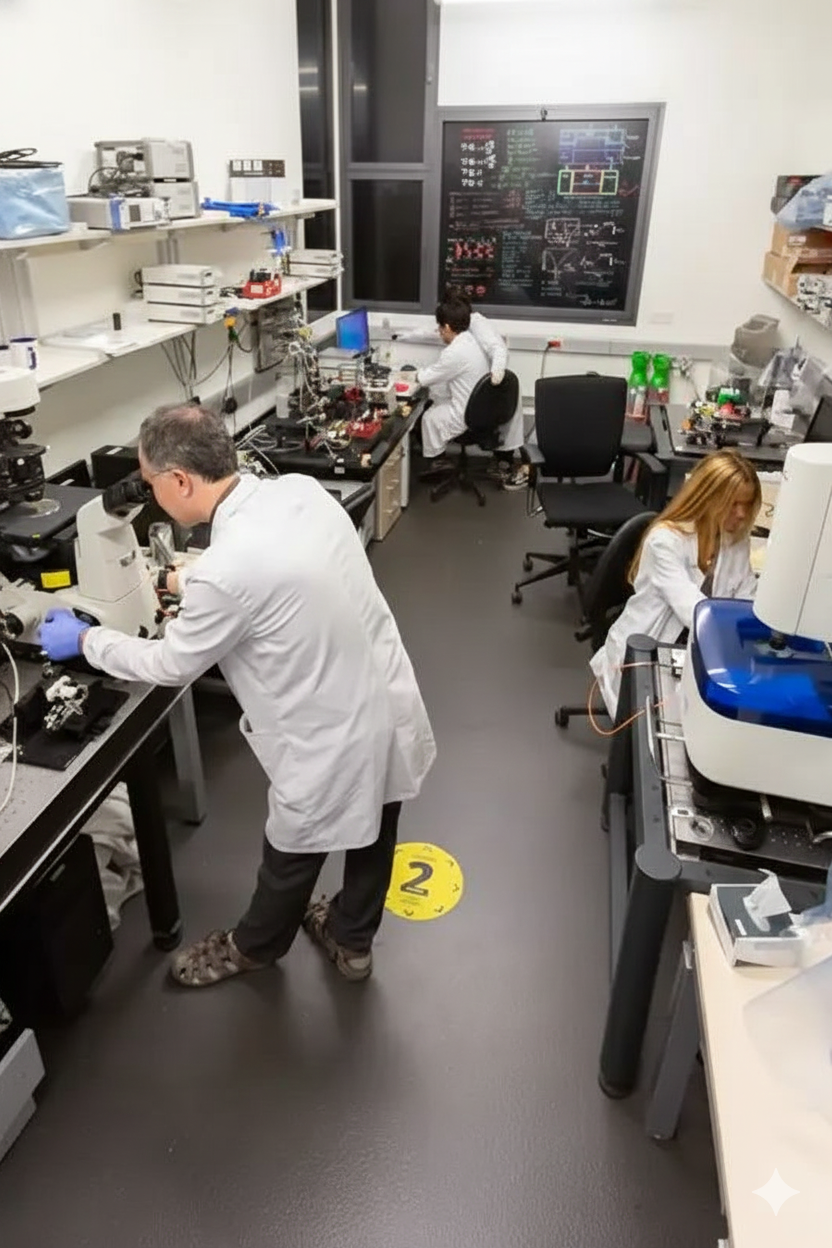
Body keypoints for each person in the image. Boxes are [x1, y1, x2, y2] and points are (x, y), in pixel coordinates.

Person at [39, 405, 436, 988]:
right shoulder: (299, 491)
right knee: (379, 822)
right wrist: (182, 579)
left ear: (180, 481)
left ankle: (253, 948)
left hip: (328, 732)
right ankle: (353, 942)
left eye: (149, 483)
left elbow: (171, 664)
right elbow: (275, 572)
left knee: (292, 850)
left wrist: (86, 641)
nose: (150, 496)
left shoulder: (226, 571)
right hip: (385, 691)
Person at [590, 449, 761, 718]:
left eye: (747, 504)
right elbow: (694, 612)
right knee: (669, 726)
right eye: (733, 503)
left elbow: (747, 597)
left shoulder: (735, 540)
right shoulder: (665, 541)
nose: (741, 514)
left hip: (699, 646)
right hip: (650, 648)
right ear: (708, 498)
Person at [401, 287, 527, 488]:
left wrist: (497, 372)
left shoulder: (474, 328)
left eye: (442, 327)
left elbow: (498, 349)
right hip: (482, 401)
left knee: (428, 416)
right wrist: (403, 336)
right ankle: (446, 461)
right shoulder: (466, 336)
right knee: (437, 399)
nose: (439, 331)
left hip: (482, 401)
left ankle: (439, 463)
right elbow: (434, 333)